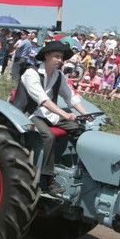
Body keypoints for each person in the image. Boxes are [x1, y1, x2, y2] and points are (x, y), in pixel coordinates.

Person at [16, 41, 89, 195]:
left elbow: (71, 97)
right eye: (56, 56)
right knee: (47, 136)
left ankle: (80, 168)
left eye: (62, 57)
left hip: (49, 114)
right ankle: (47, 180)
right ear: (47, 56)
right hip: (28, 114)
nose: (60, 60)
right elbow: (43, 100)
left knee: (79, 128)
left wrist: (86, 115)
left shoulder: (58, 75)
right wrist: (65, 114)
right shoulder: (31, 73)